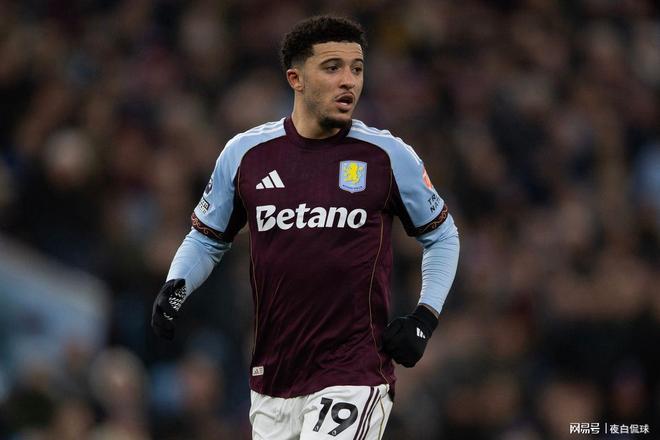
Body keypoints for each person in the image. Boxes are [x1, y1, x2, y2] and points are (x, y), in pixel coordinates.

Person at [151, 15, 459, 440]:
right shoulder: (246, 155)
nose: (348, 81)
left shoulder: (388, 156)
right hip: (273, 378)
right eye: (332, 67)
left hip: (353, 371)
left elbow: (442, 235)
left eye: (357, 68)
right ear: (295, 78)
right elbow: (207, 238)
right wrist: (176, 286)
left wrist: (426, 315)